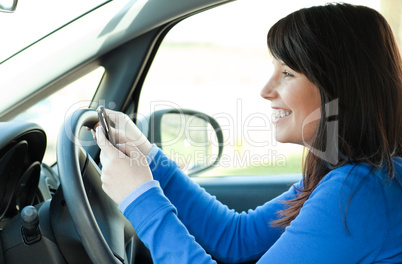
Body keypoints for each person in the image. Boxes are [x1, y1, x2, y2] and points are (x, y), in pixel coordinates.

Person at [94, 3, 402, 263]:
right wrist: (148, 155)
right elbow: (235, 237)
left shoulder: (361, 191)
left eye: (286, 73)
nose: (266, 90)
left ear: (338, 87)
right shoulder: (344, 174)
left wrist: (140, 199)